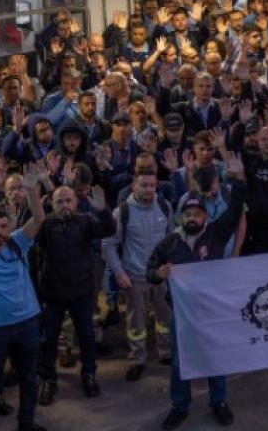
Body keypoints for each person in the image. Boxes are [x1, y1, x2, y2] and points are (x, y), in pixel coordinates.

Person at [145, 152, 248, 430]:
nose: (192, 218)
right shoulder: (169, 243)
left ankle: (219, 402)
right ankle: (179, 406)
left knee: (216, 357)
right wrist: (159, 273)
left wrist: (238, 179)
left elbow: (237, 207)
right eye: (188, 213)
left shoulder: (216, 233)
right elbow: (149, 271)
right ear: (181, 216)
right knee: (182, 362)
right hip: (182, 313)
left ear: (205, 215)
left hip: (212, 310)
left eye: (198, 213)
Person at [0, 169, 46, 431]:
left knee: (29, 378)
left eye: (3, 226)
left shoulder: (18, 242)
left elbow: (39, 218)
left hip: (28, 321)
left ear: (10, 225)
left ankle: (26, 423)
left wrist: (30, 190)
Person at [35, 181, 115, 406]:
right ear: (51, 204)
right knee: (48, 340)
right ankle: (48, 380)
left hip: (81, 292)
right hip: (52, 294)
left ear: (76, 202)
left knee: (87, 337)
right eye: (59, 201)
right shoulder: (45, 224)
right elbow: (28, 237)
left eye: (68, 200)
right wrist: (35, 208)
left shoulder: (85, 220)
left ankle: (89, 375)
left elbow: (109, 229)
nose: (64, 205)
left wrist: (103, 210)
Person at [103, 158, 173, 383]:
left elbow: (172, 238)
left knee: (165, 317)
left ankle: (166, 352)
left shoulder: (165, 206)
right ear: (134, 185)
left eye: (152, 186)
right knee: (136, 323)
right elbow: (108, 244)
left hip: (161, 276)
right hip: (134, 277)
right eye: (144, 185)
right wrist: (119, 273)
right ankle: (138, 359)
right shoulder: (122, 212)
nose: (149, 190)